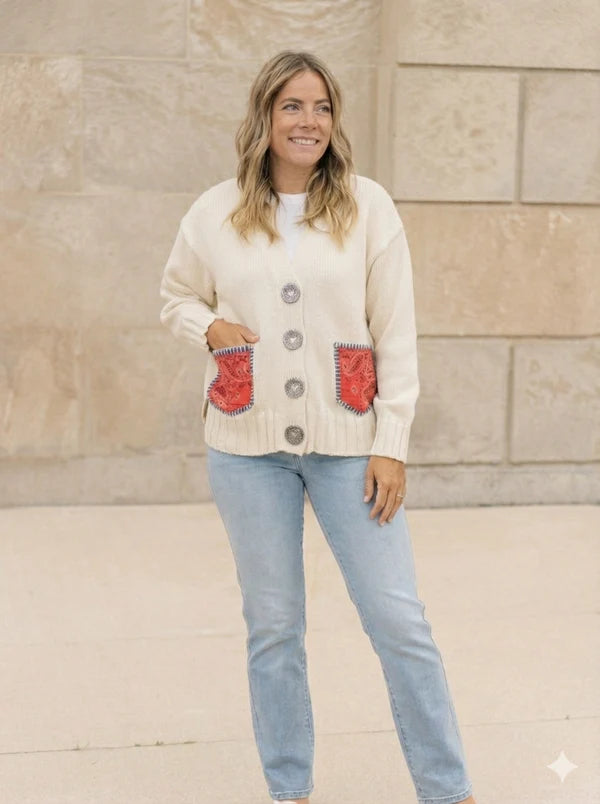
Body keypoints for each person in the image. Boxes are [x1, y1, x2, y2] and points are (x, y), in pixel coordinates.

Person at [159, 50, 477, 804]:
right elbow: (176, 296)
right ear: (265, 117)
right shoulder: (214, 212)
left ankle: (449, 791)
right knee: (274, 628)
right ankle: (289, 790)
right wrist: (209, 328)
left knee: (398, 622)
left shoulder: (369, 207)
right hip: (246, 448)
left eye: (323, 106)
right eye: (292, 106)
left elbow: (395, 334)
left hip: (350, 448)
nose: (309, 121)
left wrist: (390, 444)